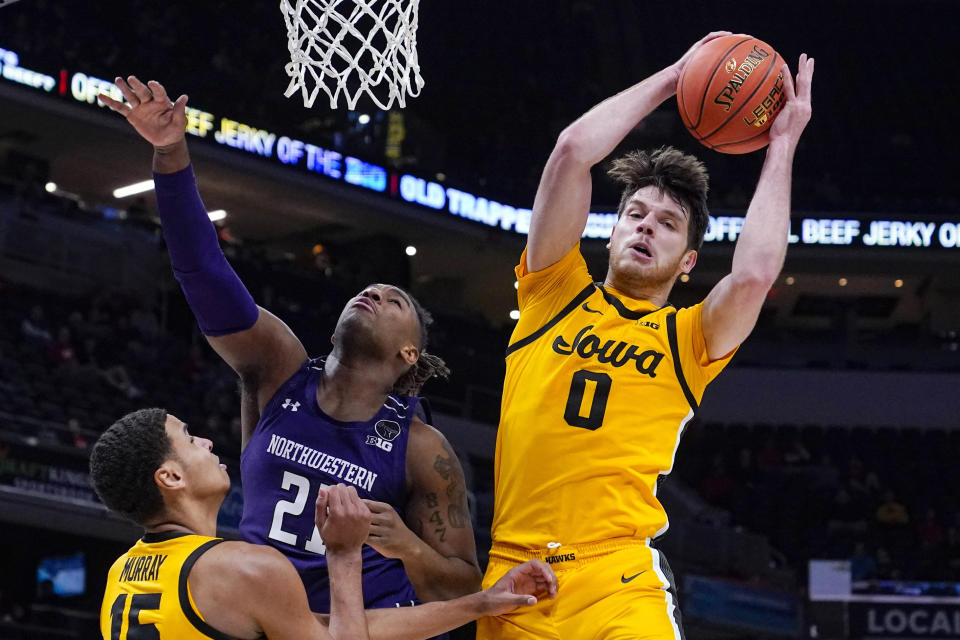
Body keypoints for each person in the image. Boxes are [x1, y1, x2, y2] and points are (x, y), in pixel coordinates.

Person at [99, 77, 483, 619]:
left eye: (395, 301)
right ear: (333, 332)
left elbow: (465, 588)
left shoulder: (423, 449)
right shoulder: (280, 371)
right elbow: (202, 273)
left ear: (409, 355)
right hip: (270, 624)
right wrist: (170, 152)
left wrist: (406, 545)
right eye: (367, 291)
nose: (374, 292)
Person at [478, 32, 814, 639]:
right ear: (609, 233)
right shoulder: (552, 294)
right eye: (634, 215)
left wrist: (781, 146)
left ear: (687, 262)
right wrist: (679, 76)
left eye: (667, 224)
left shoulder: (688, 339)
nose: (645, 228)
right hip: (515, 574)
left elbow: (756, 274)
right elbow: (571, 152)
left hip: (618, 578)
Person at [92, 409, 557, 640]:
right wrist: (343, 552)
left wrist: (482, 603)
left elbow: (332, 626)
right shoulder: (241, 568)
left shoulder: (123, 572)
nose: (208, 442)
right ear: (171, 477)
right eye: (190, 440)